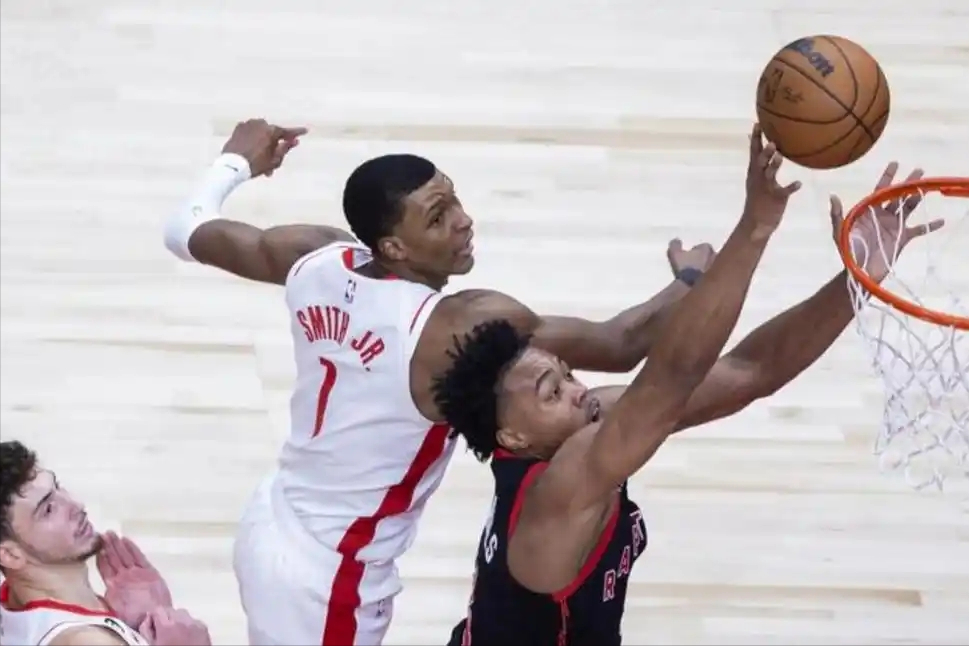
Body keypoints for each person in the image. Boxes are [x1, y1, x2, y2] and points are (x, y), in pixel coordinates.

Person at [162, 118, 712, 645]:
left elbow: (185, 229)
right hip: (332, 572)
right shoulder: (455, 326)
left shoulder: (316, 258)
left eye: (453, 200)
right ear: (394, 248)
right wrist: (691, 279)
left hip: (273, 518)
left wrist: (236, 161)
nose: (463, 221)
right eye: (437, 217)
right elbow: (621, 344)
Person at [432, 151, 941, 644]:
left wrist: (857, 278)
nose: (579, 391)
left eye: (567, 376)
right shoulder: (560, 491)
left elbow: (750, 371)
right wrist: (755, 227)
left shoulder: (581, 424)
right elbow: (672, 374)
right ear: (512, 438)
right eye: (553, 394)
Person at [0, 440, 211, 646]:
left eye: (58, 487)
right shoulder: (87, 640)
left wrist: (133, 625)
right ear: (9, 555)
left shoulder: (11, 602)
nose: (75, 504)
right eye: (48, 509)